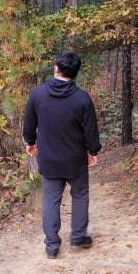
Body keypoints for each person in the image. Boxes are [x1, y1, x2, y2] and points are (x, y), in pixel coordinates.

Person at [22, 52, 102, 259]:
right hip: (75, 159)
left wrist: (30, 142)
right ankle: (78, 236)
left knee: (51, 200)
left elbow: (29, 124)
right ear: (75, 73)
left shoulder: (38, 94)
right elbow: (91, 129)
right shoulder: (82, 98)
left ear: (56, 69)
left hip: (49, 159)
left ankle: (51, 245)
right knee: (80, 194)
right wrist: (93, 151)